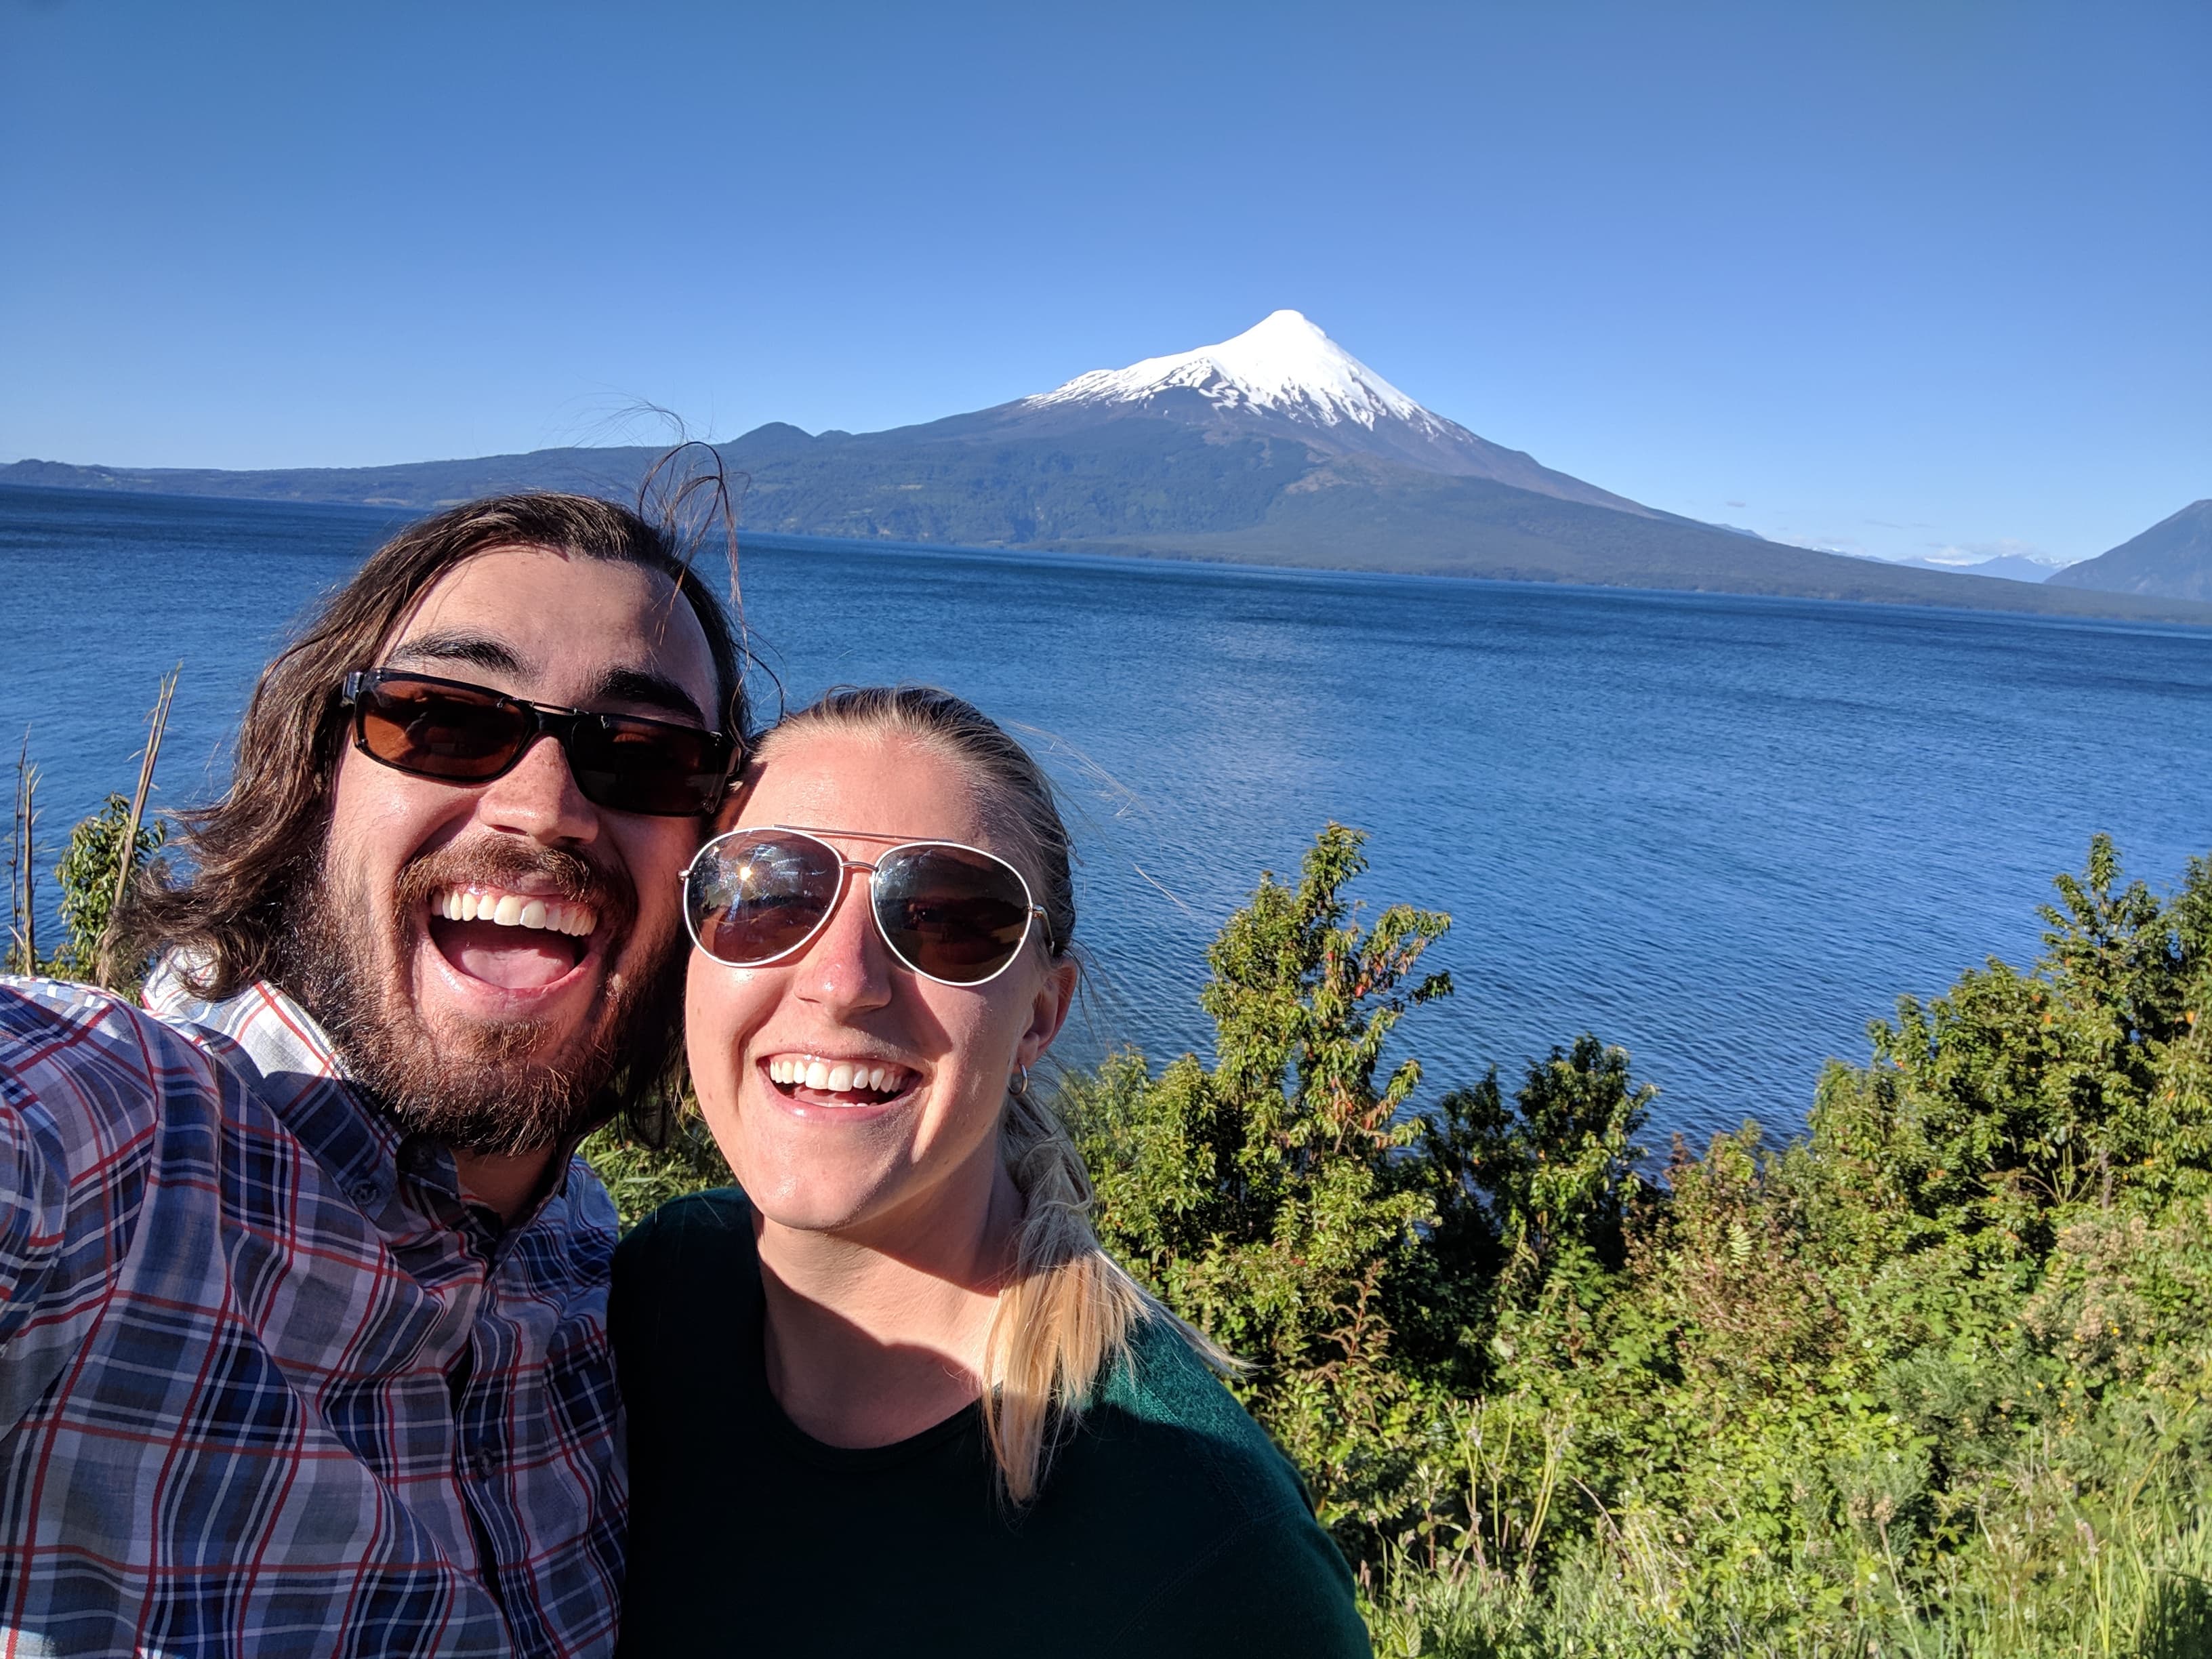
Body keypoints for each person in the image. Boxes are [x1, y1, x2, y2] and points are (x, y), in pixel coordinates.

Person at [0, 493, 743, 1658]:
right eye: (443, 721)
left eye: (645, 758)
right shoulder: (116, 1153)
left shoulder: (601, 1284)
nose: (543, 808)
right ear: (313, 783)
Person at [612, 685, 1372, 1657]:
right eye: (767, 895)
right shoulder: (656, 1297)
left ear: (1041, 1017)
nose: (842, 981)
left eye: (947, 921)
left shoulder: (1203, 1546)